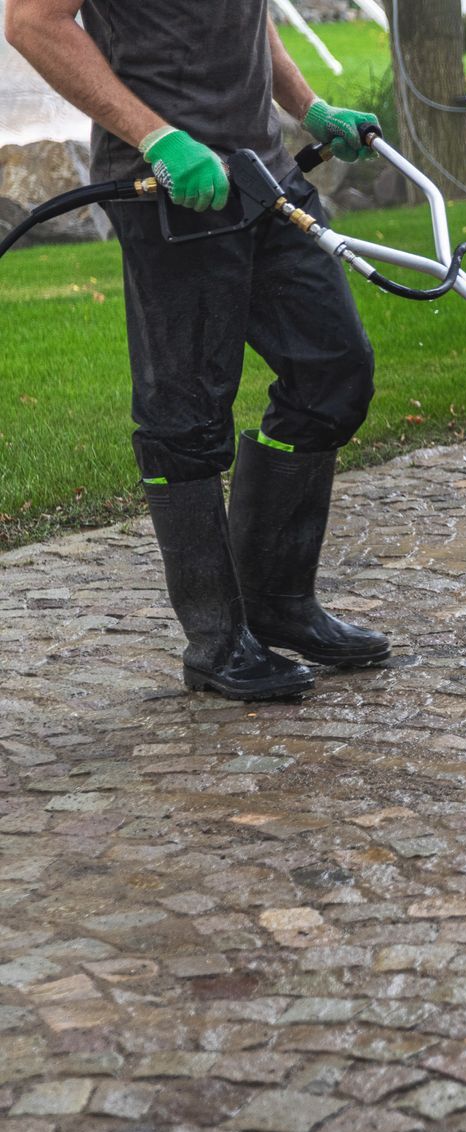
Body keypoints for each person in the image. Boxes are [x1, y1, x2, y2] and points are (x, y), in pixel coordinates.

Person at [5, 0, 392, 699]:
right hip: (169, 182)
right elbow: (32, 22)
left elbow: (246, 17)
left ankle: (279, 602)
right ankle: (216, 640)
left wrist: (310, 106)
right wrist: (158, 137)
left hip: (260, 169)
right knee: (186, 412)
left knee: (332, 371)